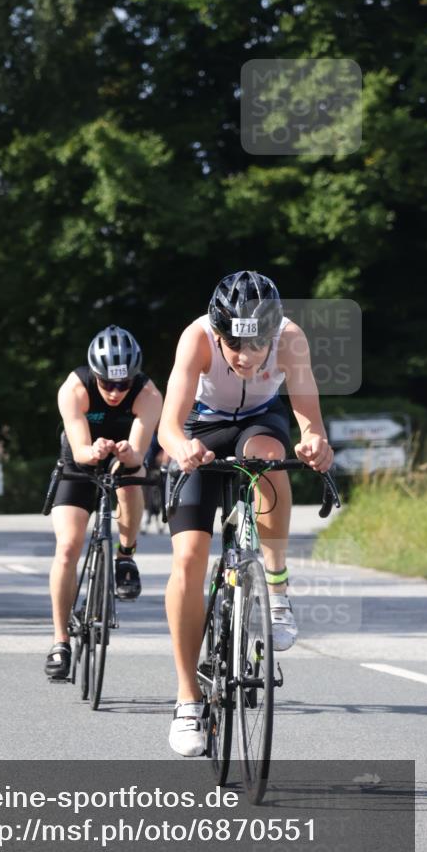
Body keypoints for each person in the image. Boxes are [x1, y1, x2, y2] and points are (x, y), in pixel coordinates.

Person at [158, 271, 334, 756]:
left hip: (261, 421)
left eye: (252, 343)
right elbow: (168, 426)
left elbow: (309, 419)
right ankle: (187, 700)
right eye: (230, 341)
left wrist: (315, 441)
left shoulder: (290, 339)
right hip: (204, 426)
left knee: (267, 458)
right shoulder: (196, 337)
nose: (240, 354)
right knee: (189, 559)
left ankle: (275, 589)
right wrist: (182, 449)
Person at [45, 326, 163, 681]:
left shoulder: (149, 394)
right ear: (93, 375)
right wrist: (92, 450)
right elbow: (80, 448)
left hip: (123, 460)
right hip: (78, 463)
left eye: (122, 384)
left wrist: (128, 453)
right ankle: (60, 641)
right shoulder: (74, 388)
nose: (114, 392)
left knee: (130, 482)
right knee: (67, 547)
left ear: (134, 378)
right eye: (106, 384)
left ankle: (125, 557)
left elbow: (140, 453)